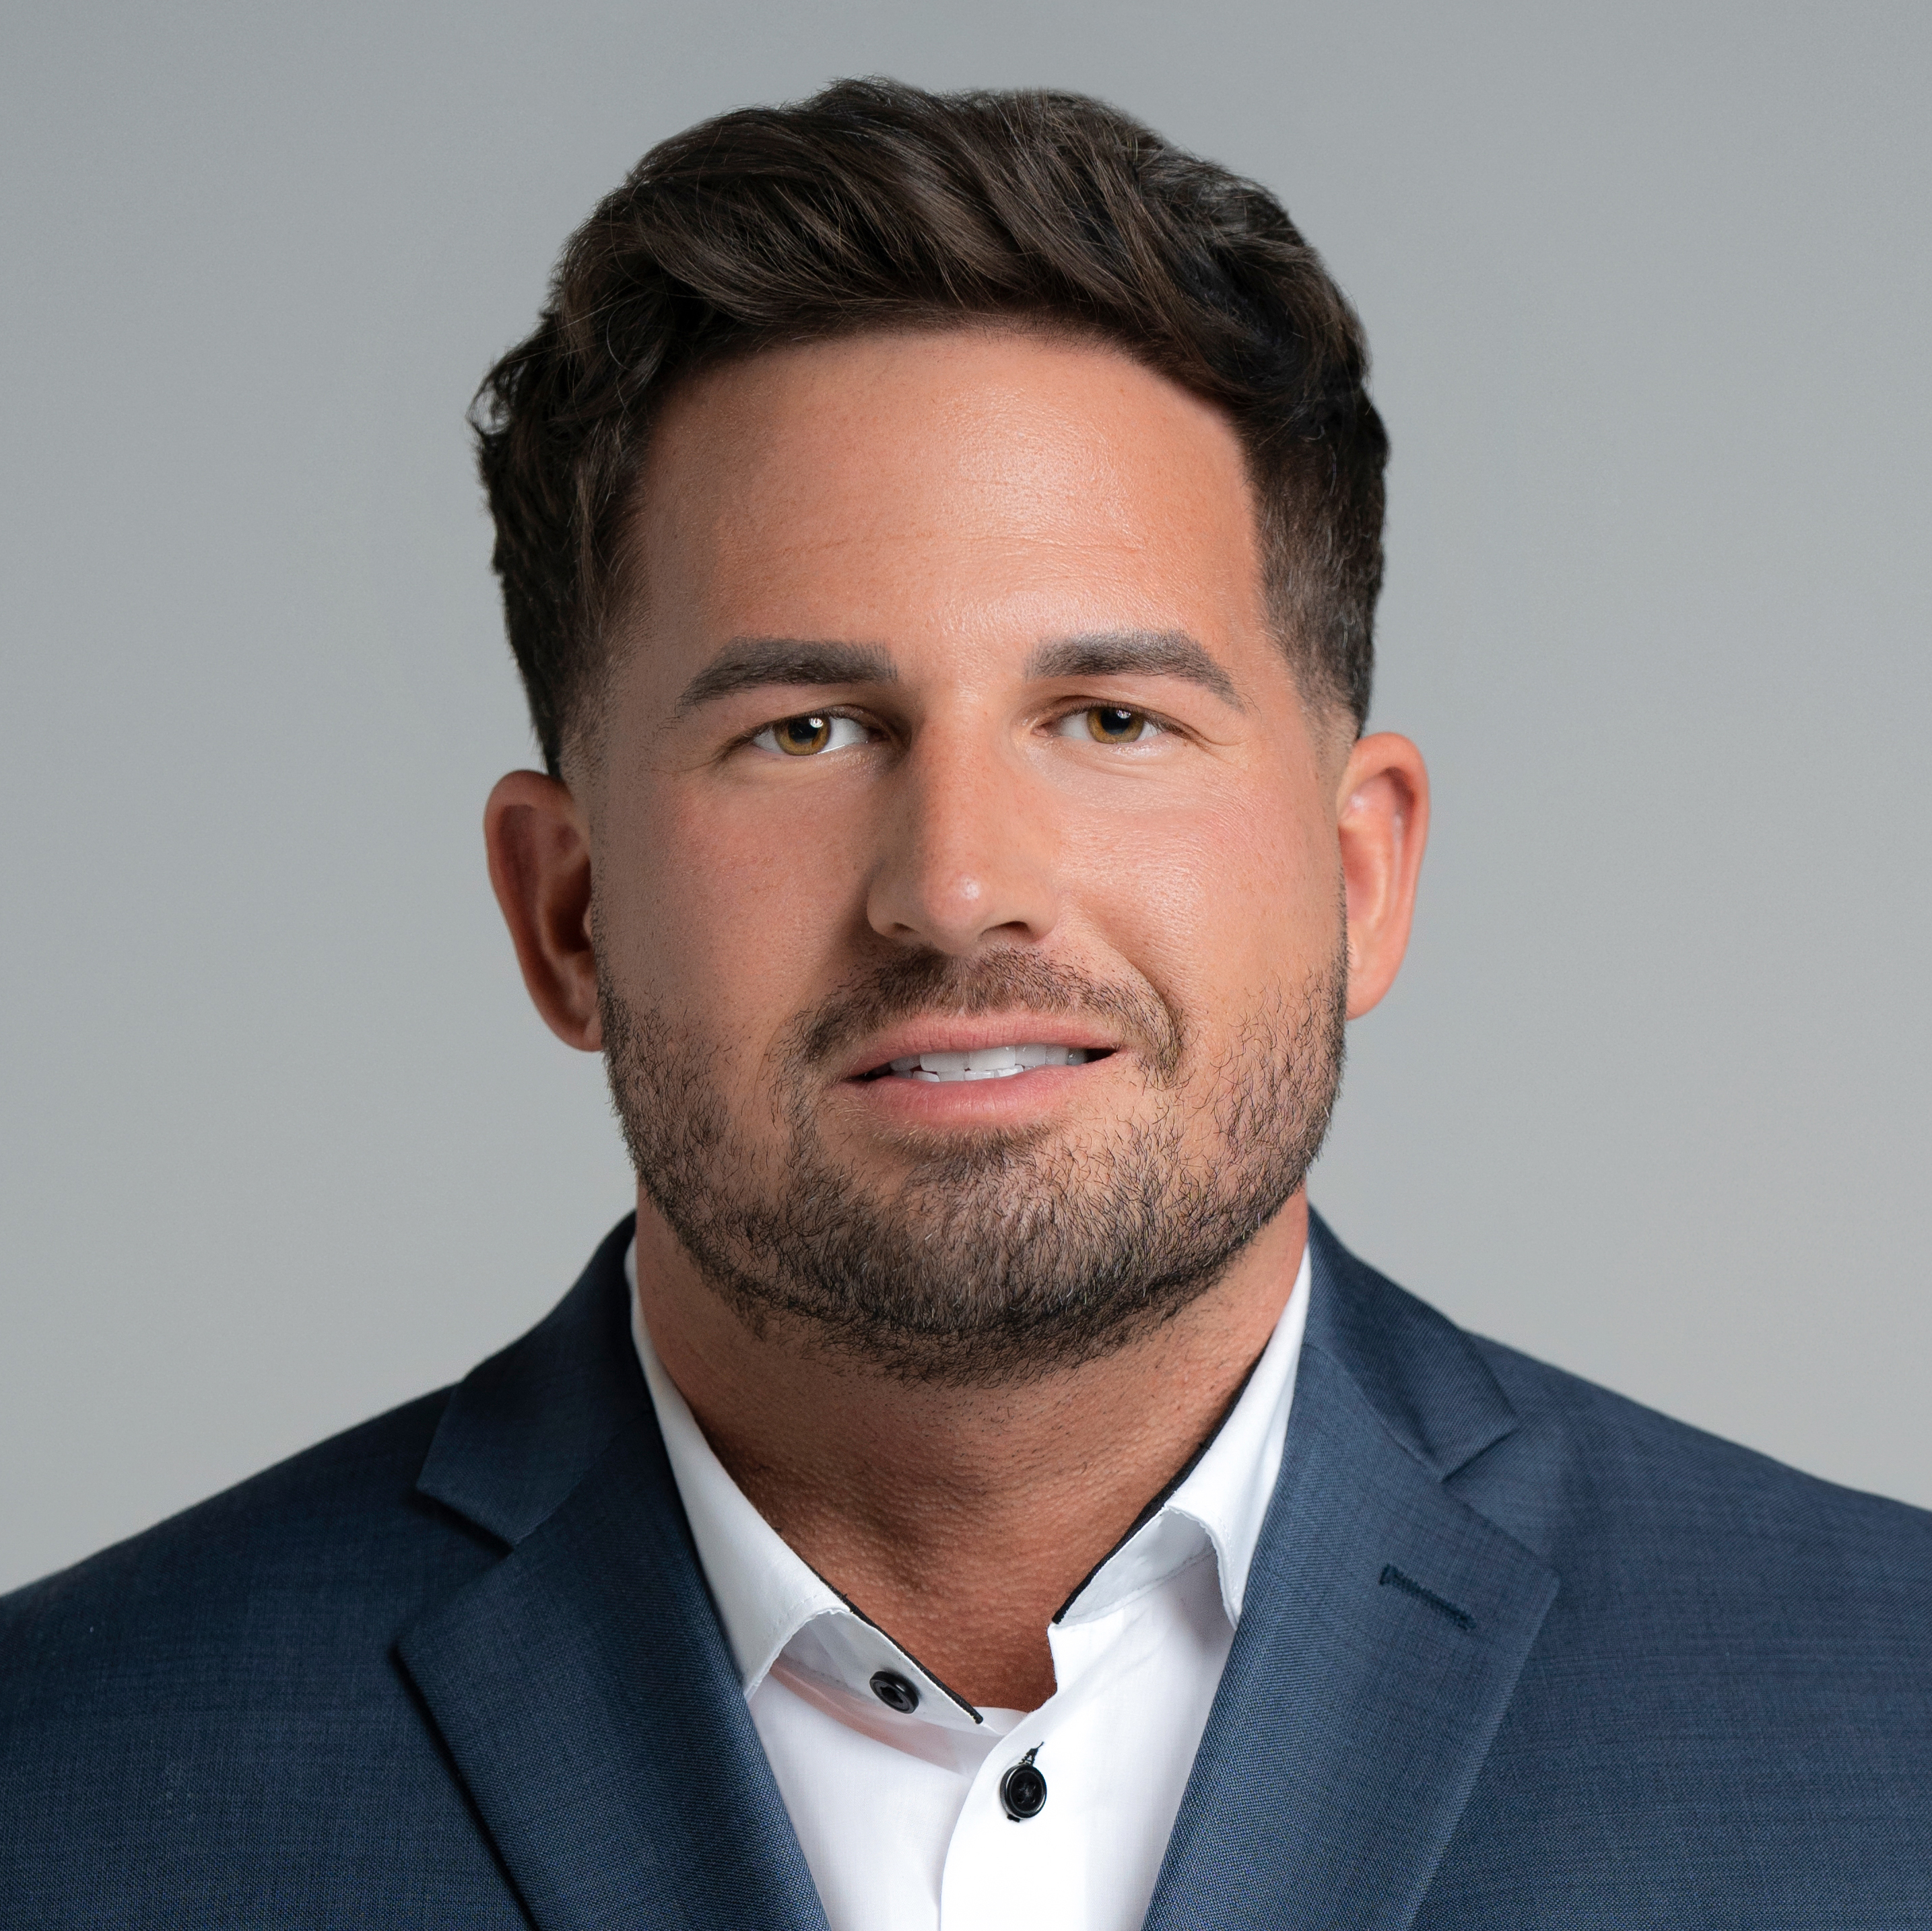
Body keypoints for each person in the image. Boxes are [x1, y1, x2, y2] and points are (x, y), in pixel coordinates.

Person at [3, 76, 1927, 1930]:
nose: (955, 884)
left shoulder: (1888, 1721)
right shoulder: (58, 1788)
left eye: (1111, 718)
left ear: (1362, 873)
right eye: (805, 728)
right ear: (565, 909)